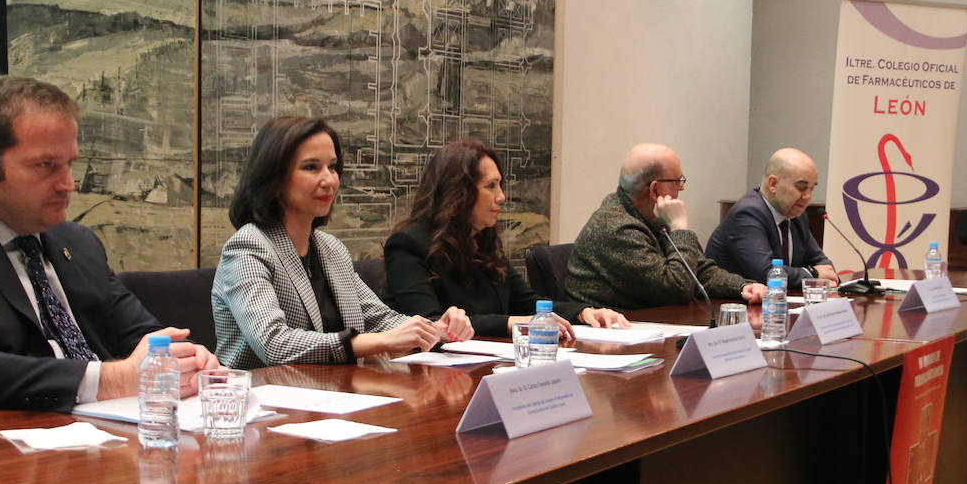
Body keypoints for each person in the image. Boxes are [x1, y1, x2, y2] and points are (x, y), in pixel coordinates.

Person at [0, 76, 215, 422]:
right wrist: (115, 378)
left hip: (99, 436)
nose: (68, 184)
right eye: (45, 165)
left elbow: (141, 335)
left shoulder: (76, 242)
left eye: (70, 164)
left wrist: (184, 357)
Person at [213, 116, 472, 369]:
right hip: (260, 400)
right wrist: (377, 342)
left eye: (333, 167)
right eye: (311, 167)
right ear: (274, 178)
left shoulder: (330, 248)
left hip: (330, 393)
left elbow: (380, 319)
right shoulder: (248, 247)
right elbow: (274, 343)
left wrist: (435, 330)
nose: (329, 180)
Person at [384, 139, 628, 339]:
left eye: (500, 185)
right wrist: (514, 322)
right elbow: (431, 324)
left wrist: (583, 312)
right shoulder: (407, 245)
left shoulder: (482, 241)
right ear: (459, 192)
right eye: (491, 186)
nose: (501, 197)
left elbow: (527, 302)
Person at [565, 143, 765, 309]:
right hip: (608, 339)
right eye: (678, 181)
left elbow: (699, 270)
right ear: (655, 189)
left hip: (646, 324)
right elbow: (677, 289)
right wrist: (679, 228)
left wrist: (742, 286)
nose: (681, 187)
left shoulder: (649, 216)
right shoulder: (616, 227)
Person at [705, 148, 839, 290]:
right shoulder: (747, 214)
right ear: (773, 184)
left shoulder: (796, 215)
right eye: (801, 188)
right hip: (732, 307)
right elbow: (767, 273)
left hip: (775, 304)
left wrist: (827, 273)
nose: (807, 197)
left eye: (812, 189)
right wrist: (814, 273)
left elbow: (820, 261)